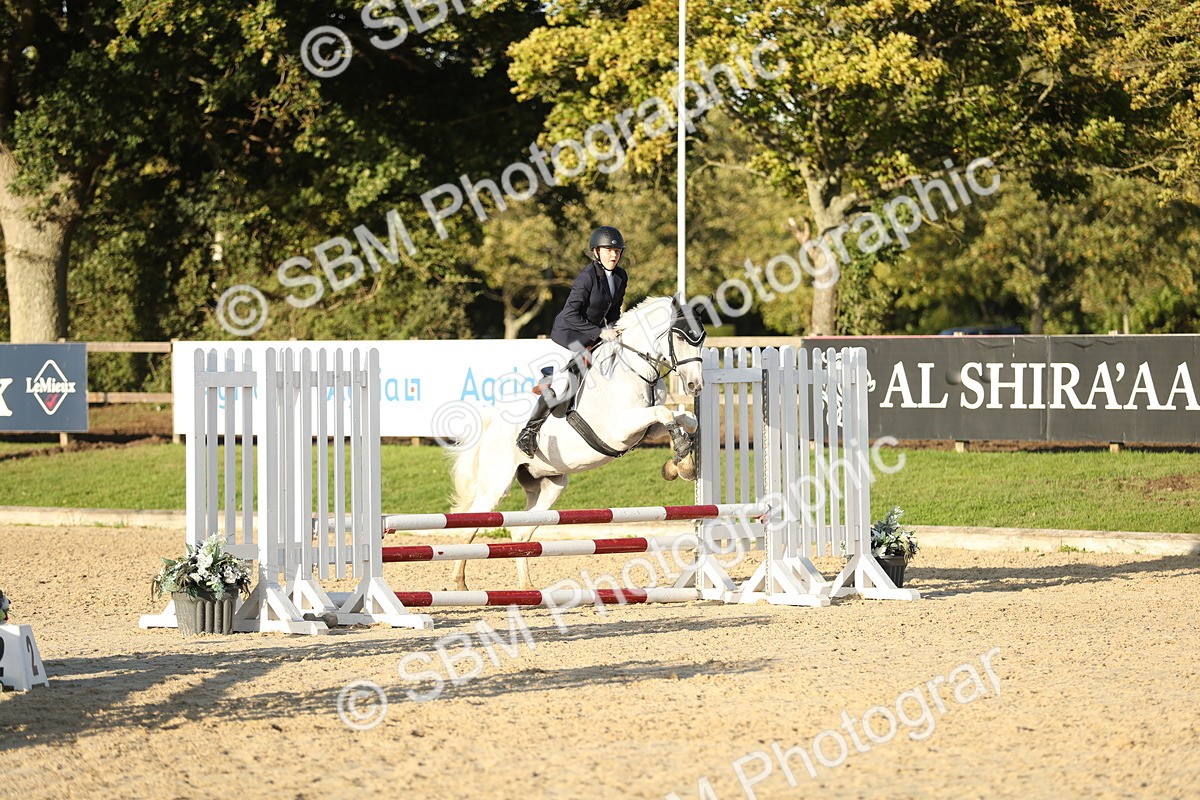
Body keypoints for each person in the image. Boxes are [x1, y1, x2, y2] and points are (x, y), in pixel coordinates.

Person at [516, 225, 628, 457]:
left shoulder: (620, 277)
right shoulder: (587, 277)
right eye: (609, 250)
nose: (614, 255)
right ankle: (528, 433)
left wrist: (615, 328)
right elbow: (570, 315)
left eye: (617, 251)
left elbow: (614, 311)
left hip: (592, 337)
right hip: (567, 336)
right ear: (596, 252)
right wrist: (598, 332)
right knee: (558, 387)